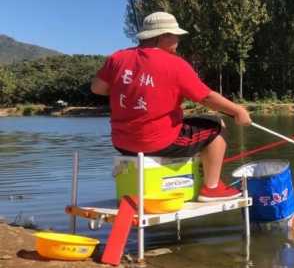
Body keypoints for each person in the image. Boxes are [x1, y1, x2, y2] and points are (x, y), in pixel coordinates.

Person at [91, 11, 251, 202]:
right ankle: (212, 188)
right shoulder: (175, 64)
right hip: (157, 142)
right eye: (175, 35)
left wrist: (133, 89)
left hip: (122, 143)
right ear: (162, 36)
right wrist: (238, 111)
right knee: (216, 127)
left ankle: (197, 175)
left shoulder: (117, 58)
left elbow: (97, 88)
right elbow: (206, 98)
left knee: (191, 125)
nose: (178, 40)